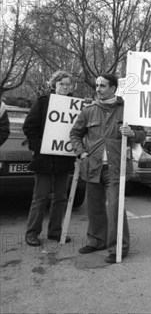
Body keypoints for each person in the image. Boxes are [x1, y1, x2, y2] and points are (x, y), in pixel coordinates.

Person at [70, 73, 145, 264]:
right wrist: (82, 153)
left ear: (113, 88)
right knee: (94, 208)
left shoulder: (127, 111)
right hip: (93, 166)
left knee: (115, 209)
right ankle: (97, 241)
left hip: (116, 168)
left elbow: (143, 134)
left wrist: (133, 133)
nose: (98, 89)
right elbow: (75, 133)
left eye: (102, 86)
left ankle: (118, 248)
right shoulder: (89, 111)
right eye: (97, 85)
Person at [22, 71, 77, 247]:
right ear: (54, 85)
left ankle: (55, 232)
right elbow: (30, 127)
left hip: (64, 158)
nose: (65, 87)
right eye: (61, 84)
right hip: (44, 158)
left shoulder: (75, 106)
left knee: (60, 197)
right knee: (40, 197)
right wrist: (38, 148)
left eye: (68, 85)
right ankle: (32, 233)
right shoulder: (43, 102)